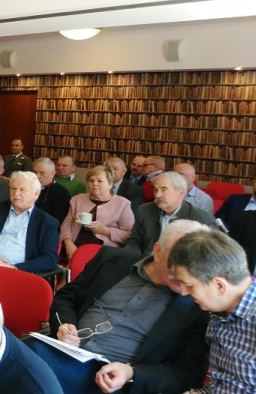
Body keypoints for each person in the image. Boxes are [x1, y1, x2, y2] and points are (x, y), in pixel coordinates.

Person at [26, 220, 210, 394]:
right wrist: (64, 325)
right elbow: (66, 297)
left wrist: (132, 373)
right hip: (62, 353)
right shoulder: (110, 259)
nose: (186, 269)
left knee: (29, 365)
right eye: (178, 259)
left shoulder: (197, 307)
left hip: (109, 380)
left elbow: (187, 374)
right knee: (18, 352)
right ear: (158, 251)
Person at [168, 228, 256, 393]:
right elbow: (225, 385)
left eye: (189, 285)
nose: (184, 292)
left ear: (219, 285)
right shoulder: (219, 310)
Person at [0, 171, 59, 273]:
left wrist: (15, 268)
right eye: (13, 188)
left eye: (22, 190)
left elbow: (50, 259)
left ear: (36, 194)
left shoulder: (46, 222)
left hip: (15, 271)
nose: (16, 194)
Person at [123, 171, 216, 256]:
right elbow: (134, 241)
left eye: (164, 190)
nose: (157, 195)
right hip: (146, 261)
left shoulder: (201, 218)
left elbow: (208, 254)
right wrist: (136, 261)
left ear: (181, 192)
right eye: (155, 190)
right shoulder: (145, 210)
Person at [59, 165, 135, 261]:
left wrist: (105, 230)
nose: (94, 184)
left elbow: (130, 234)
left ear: (110, 184)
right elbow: (66, 224)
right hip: (74, 247)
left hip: (104, 253)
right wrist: (68, 244)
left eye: (99, 181)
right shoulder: (77, 199)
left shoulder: (122, 203)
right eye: (91, 180)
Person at [31, 157, 72, 223]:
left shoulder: (62, 193)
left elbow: (57, 221)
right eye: (34, 172)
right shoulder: (27, 187)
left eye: (42, 173)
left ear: (52, 174)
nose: (37, 176)